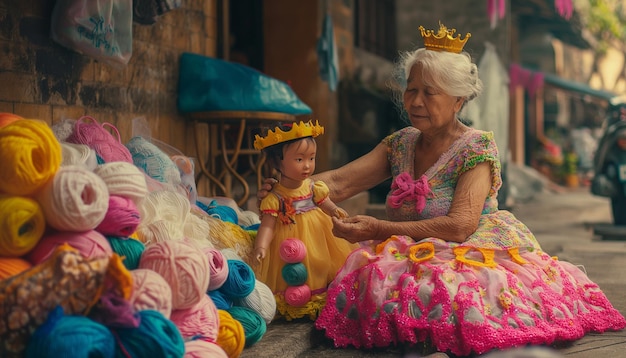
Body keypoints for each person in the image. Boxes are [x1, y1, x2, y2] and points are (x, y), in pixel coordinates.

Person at [258, 23, 626, 356]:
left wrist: (380, 228)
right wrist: (289, 188)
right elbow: (337, 182)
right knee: (374, 280)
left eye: (430, 92)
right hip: (409, 248)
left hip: (472, 249)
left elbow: (460, 226)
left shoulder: (476, 148)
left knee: (458, 293)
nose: (415, 101)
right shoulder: (400, 144)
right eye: (411, 90)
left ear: (458, 99)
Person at [252, 120, 358, 321]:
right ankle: (296, 298)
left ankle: (317, 295)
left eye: (312, 158)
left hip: (317, 232)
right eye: (299, 159)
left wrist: (334, 210)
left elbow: (324, 202)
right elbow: (268, 224)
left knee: (319, 261)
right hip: (286, 237)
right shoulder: (274, 197)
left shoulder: (313, 187)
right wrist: (261, 246)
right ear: (277, 162)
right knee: (292, 268)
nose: (307, 165)